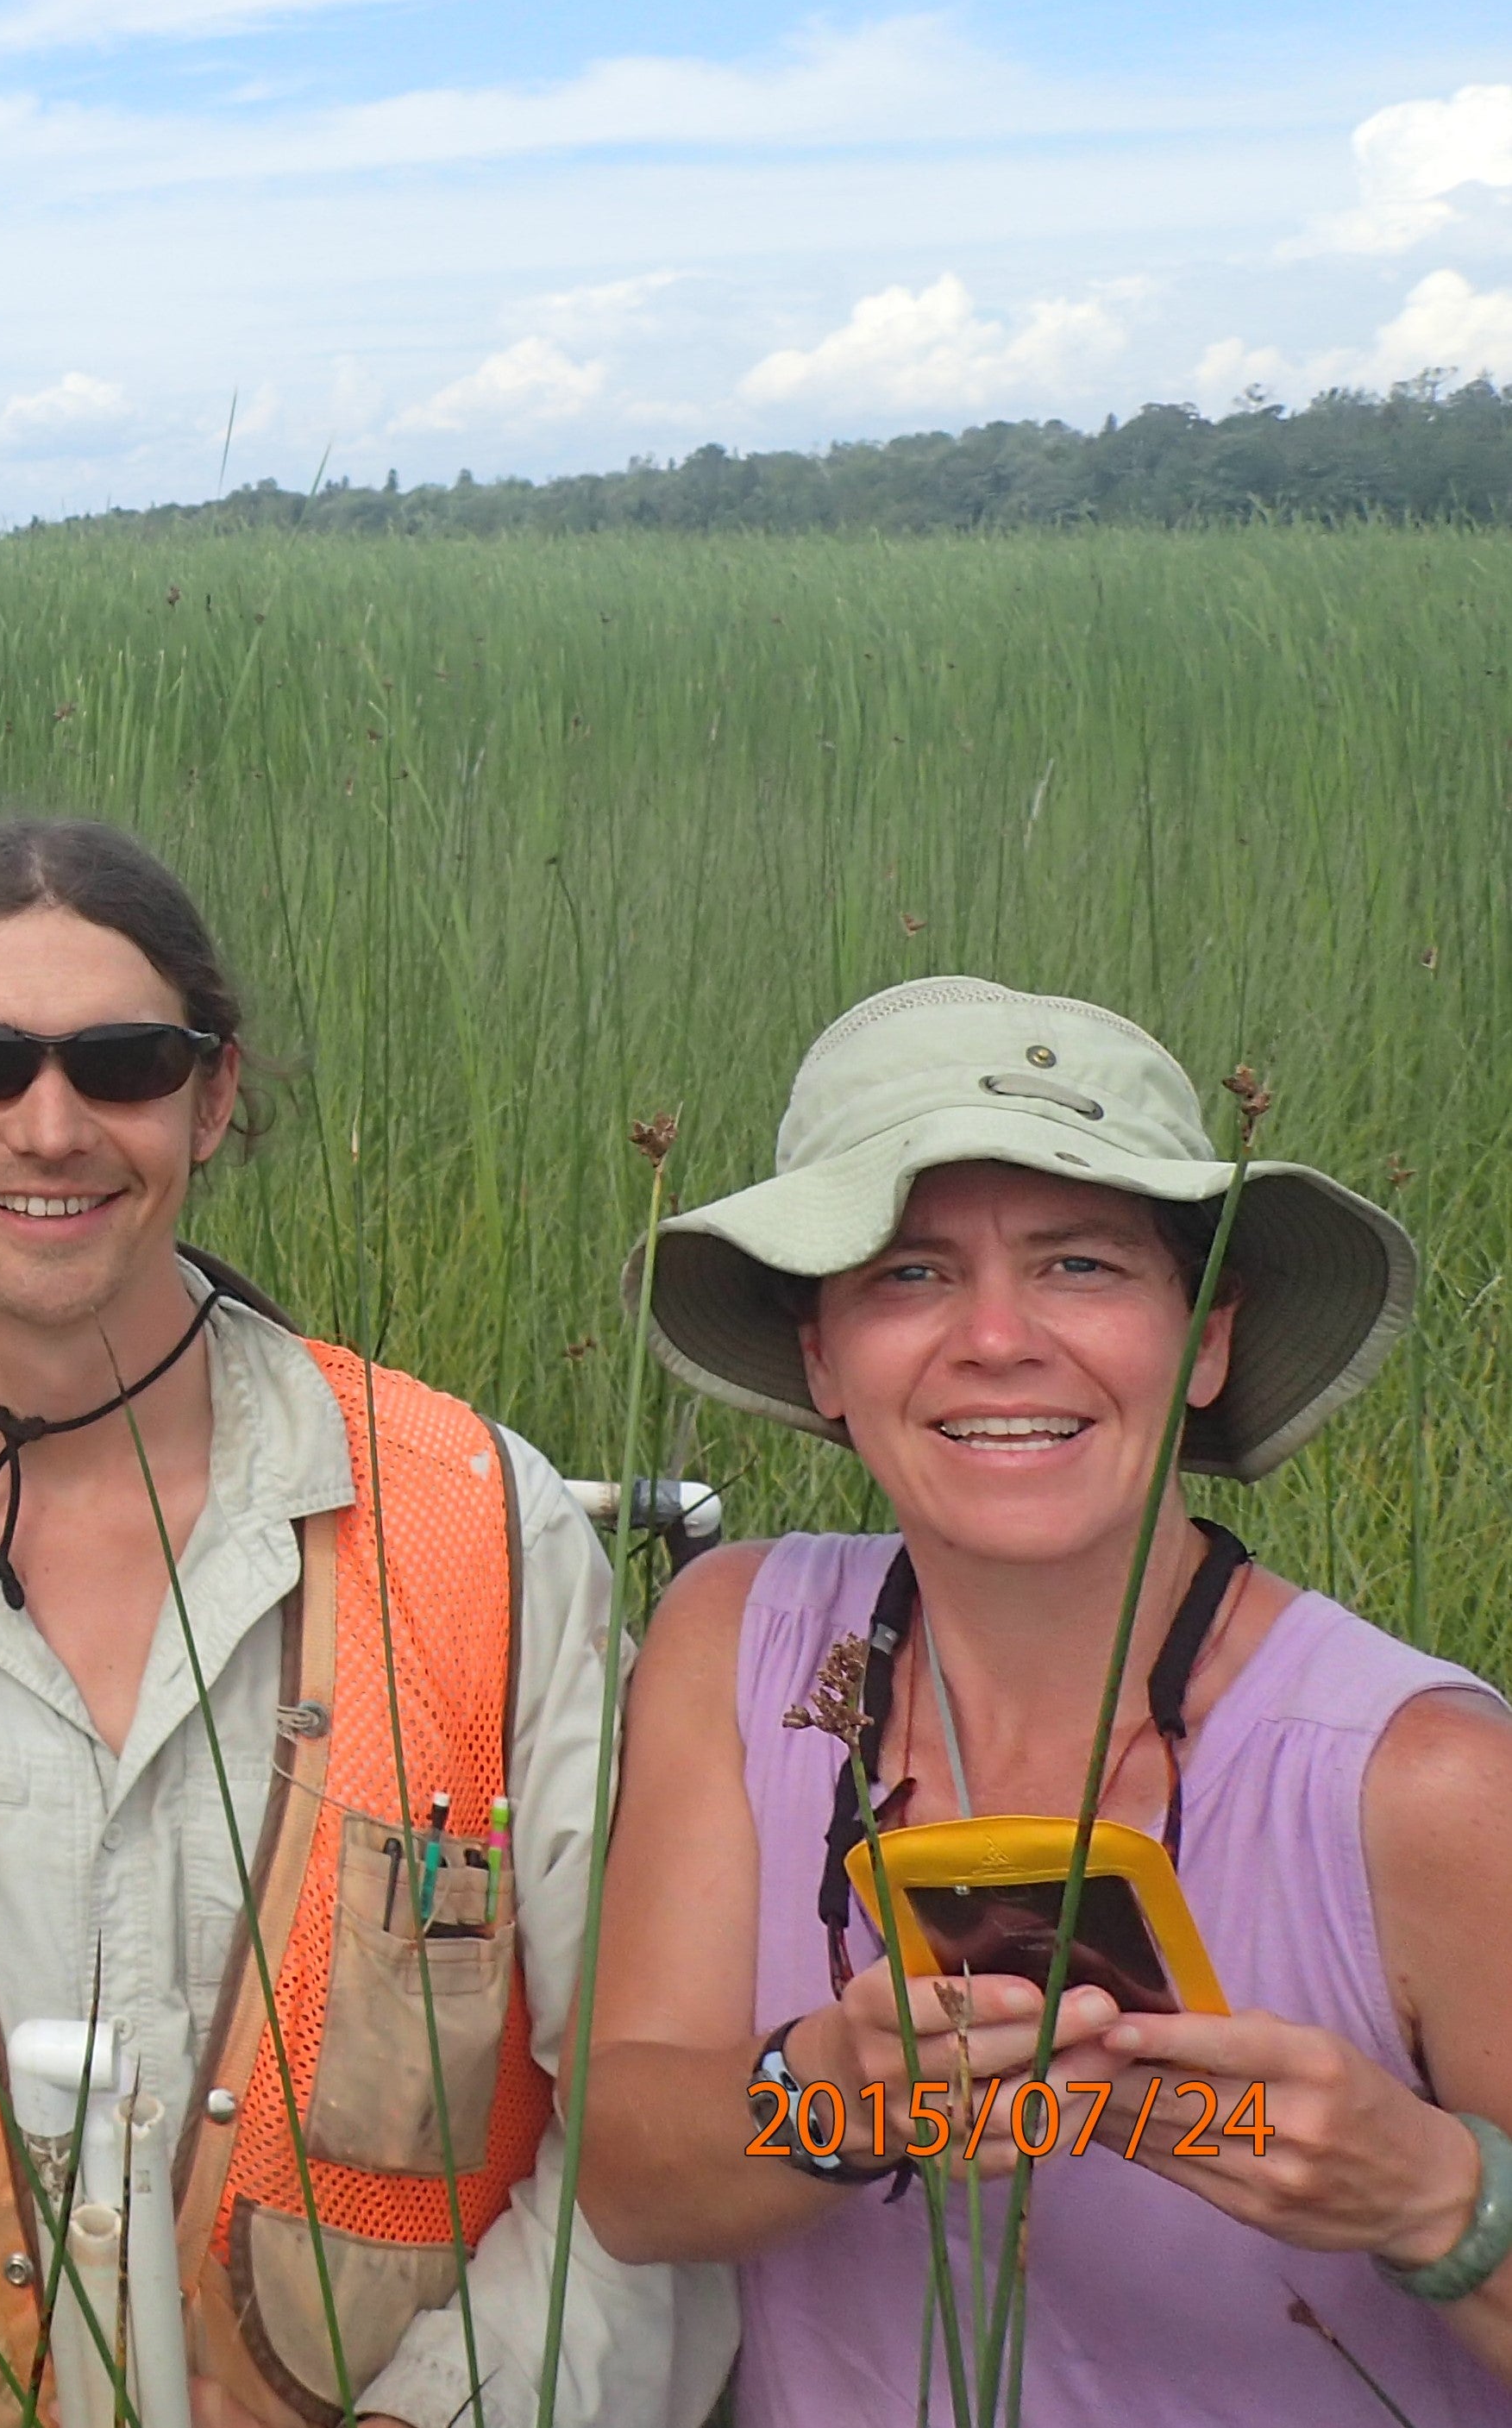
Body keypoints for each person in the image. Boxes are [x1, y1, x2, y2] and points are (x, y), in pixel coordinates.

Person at [0, 819, 726, 2428]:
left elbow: (645, 2142)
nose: (47, 1125)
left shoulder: (483, 1529)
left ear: (210, 1097)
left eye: (120, 1061)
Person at [582, 975, 1512, 2419]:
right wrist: (828, 2092)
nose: (999, 1339)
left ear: (1201, 1339)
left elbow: (1455, 2214)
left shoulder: (1424, 1778)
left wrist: (1436, 2197)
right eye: (908, 1272)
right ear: (822, 1354)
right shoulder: (743, 1642)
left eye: (1080, 1264)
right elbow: (628, 2177)